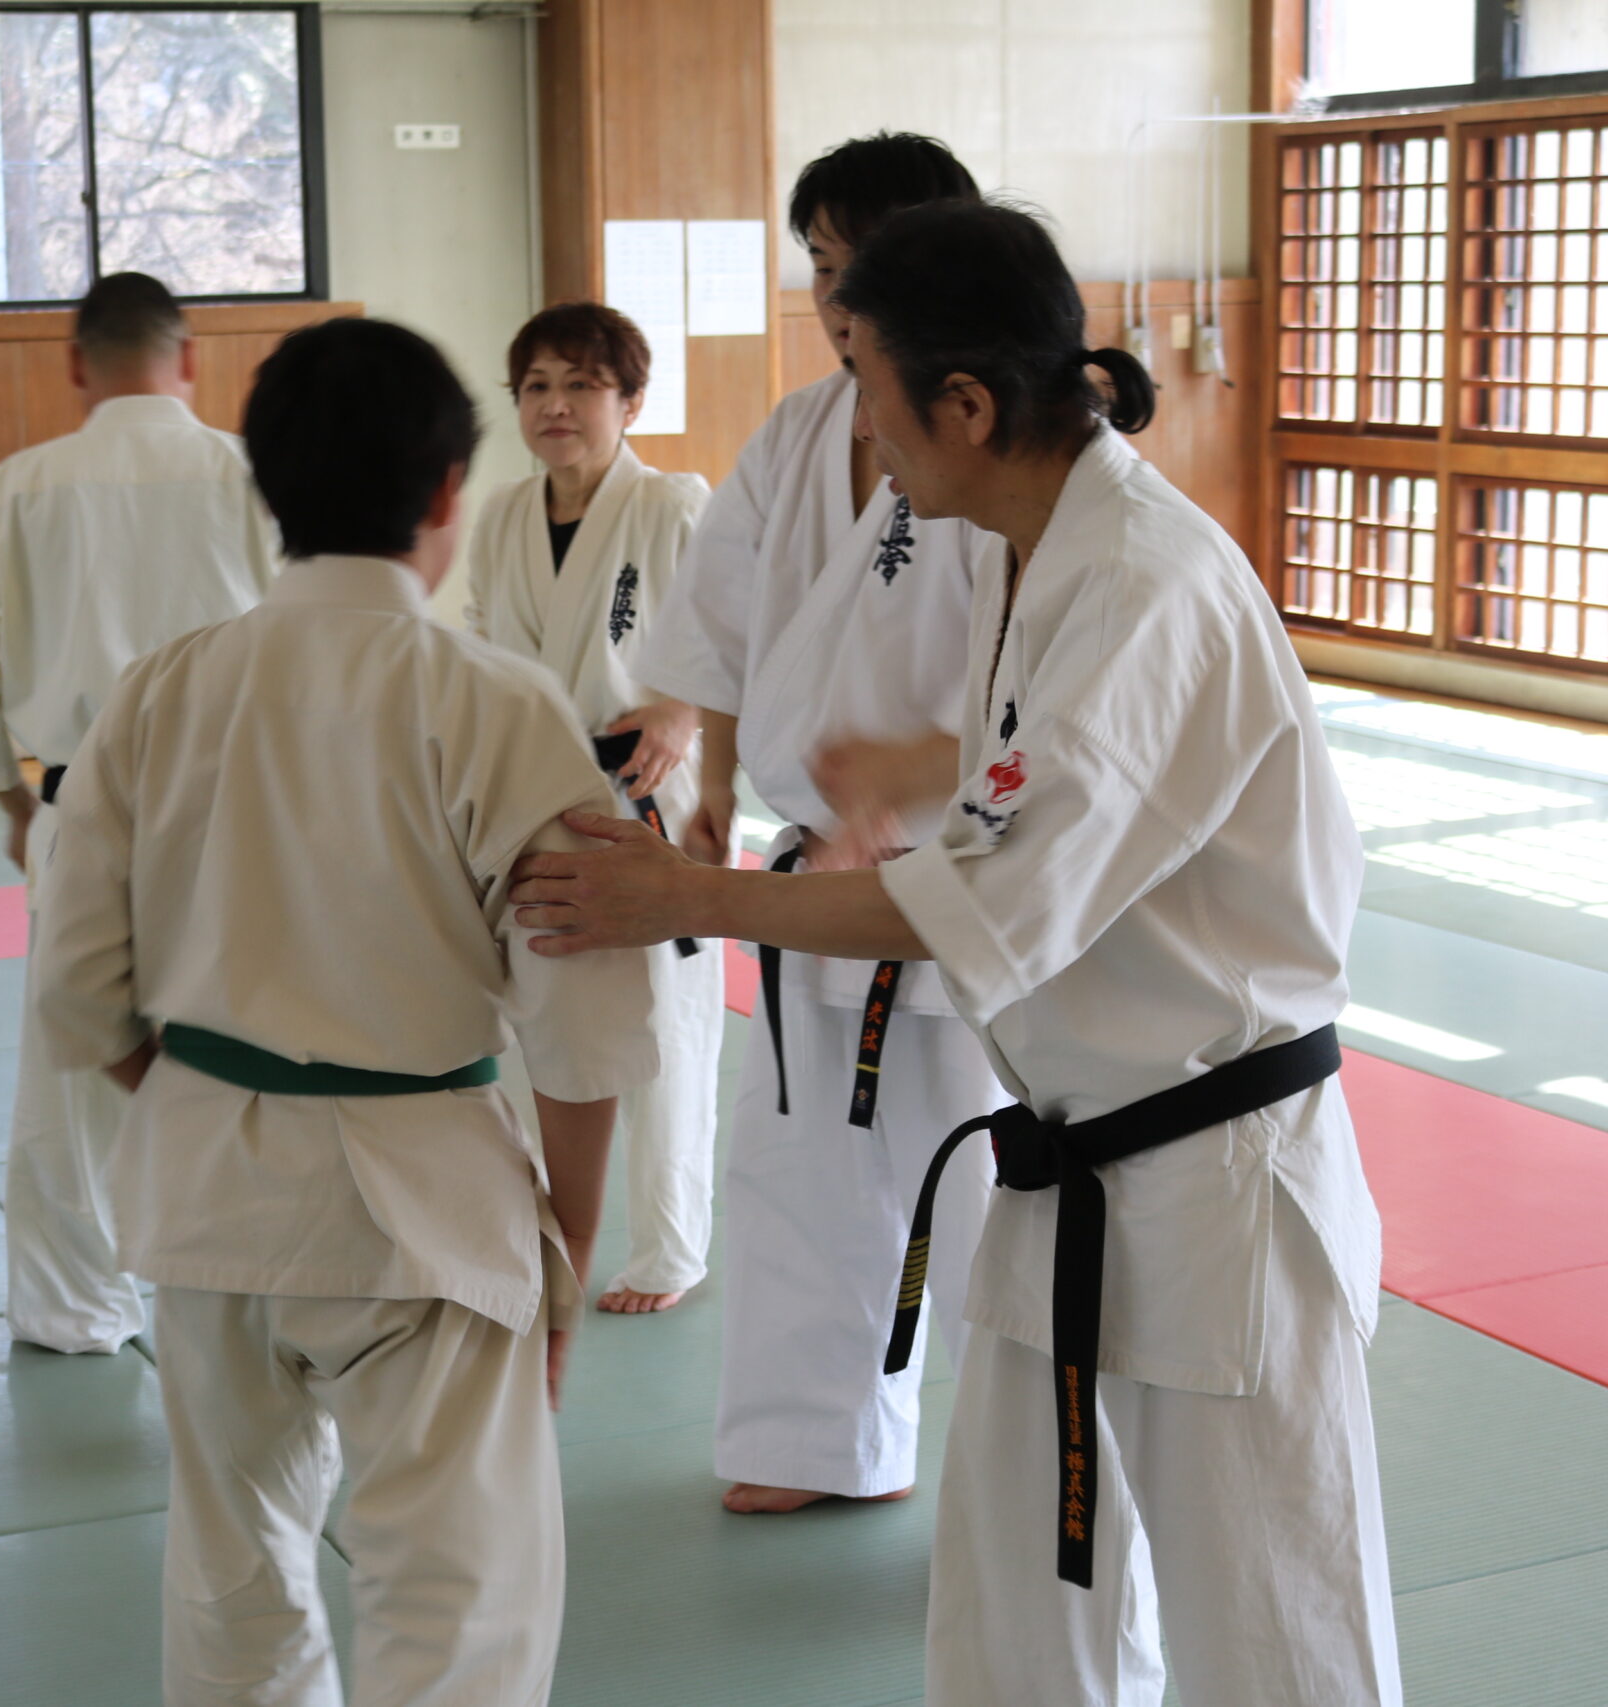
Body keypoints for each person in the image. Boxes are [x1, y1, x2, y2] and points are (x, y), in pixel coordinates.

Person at [508, 198, 1402, 1706]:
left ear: (968, 405)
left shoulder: (1143, 580)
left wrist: (689, 900)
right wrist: (909, 771)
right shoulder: (1028, 546)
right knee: (1013, 1620)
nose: (859, 425)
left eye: (871, 384)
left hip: (1215, 1181)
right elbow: (1037, 779)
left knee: (1275, 1638)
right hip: (1068, 1166)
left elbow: (989, 902)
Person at [30, 316, 658, 1706]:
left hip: (207, 1191)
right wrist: (568, 1238)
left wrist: (216, 1089)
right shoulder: (496, 700)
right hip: (424, 1210)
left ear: (263, 486)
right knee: (460, 1590)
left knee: (231, 1571)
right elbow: (583, 1016)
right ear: (448, 491)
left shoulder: (160, 689)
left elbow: (75, 980)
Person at [631, 132, 1002, 1513]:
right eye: (822, 268)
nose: (836, 300)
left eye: (860, 267)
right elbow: (721, 630)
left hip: (968, 874)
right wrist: (715, 790)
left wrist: (903, 785)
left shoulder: (1000, 441)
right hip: (809, 874)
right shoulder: (796, 434)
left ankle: (1017, 1473)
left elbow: (1060, 699)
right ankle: (814, 1443)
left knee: (978, 1190)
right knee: (798, 1166)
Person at [0, 270, 277, 1355]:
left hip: (81, 797)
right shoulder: (255, 473)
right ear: (191, 360)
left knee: (74, 1055)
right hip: (237, 799)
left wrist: (11, 803)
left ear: (77, 365)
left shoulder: (19, 485)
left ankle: (72, 1305)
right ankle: (252, 1274)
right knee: (246, 1036)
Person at [459, 300, 725, 1315]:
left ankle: (669, 1249)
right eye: (536, 386)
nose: (556, 405)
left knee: (666, 1020)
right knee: (547, 1018)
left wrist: (680, 710)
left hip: (643, 790)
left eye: (581, 384)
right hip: (534, 794)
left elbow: (731, 632)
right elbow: (480, 652)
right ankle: (545, 1228)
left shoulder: (671, 503)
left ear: (631, 402)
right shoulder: (500, 516)